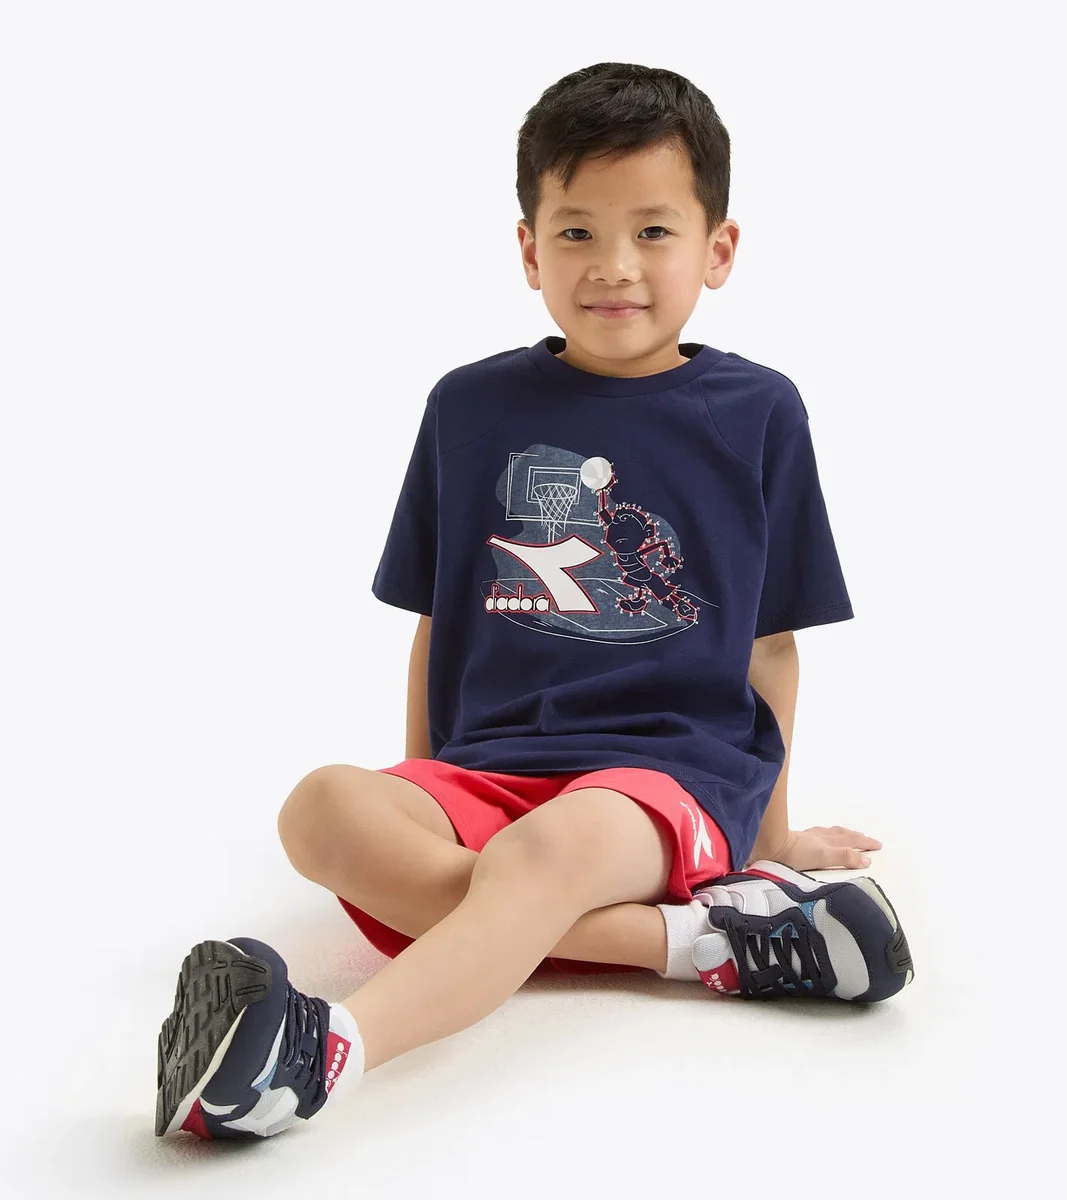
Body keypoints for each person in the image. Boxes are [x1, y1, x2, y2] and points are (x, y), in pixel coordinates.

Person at [156, 61, 914, 1143]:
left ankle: (325, 1052)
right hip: (493, 770)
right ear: (528, 250)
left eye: (653, 231)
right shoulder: (468, 407)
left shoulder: (758, 412)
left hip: (665, 775)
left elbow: (770, 644)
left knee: (541, 857)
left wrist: (768, 838)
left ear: (717, 249)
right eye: (576, 232)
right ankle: (702, 943)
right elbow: (436, 622)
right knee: (319, 809)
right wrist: (419, 788)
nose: (613, 265)